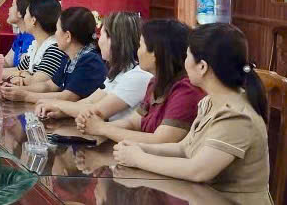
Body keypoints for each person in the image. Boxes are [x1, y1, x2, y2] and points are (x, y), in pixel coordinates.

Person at [112, 23, 271, 204]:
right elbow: (184, 148)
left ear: (202, 66)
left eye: (187, 55)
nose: (184, 62)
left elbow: (197, 170)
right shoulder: (210, 102)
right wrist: (140, 147)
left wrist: (138, 158)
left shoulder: (236, 116)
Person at [76, 19, 205, 144]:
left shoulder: (186, 90)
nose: (137, 51)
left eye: (140, 46)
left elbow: (161, 140)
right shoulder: (155, 82)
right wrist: (94, 125)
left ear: (155, 53)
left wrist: (102, 128)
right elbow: (133, 122)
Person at [35, 12, 152, 121]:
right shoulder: (120, 71)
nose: (98, 40)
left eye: (101, 35)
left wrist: (57, 105)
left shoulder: (137, 76)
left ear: (114, 40)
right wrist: (60, 111)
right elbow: (89, 101)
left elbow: (98, 111)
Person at [0, 7, 107, 102]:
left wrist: (25, 96)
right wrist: (15, 90)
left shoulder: (90, 60)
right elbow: (49, 86)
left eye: (57, 30)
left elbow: (69, 97)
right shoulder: (68, 57)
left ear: (68, 36)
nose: (55, 34)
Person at [0, 0, 64, 86]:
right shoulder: (36, 45)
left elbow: (37, 82)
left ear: (33, 20)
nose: (24, 18)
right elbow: (19, 69)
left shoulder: (54, 48)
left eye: (26, 14)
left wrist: (19, 75)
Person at [3, 0, 37, 71]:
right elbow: (7, 62)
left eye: (12, 5)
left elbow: (22, 70)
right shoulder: (21, 36)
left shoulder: (32, 39)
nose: (9, 9)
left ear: (20, 13)